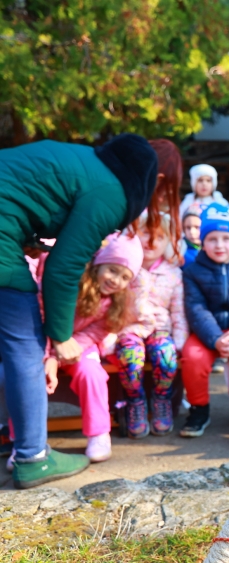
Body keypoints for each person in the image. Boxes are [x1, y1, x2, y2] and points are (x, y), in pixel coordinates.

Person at [0, 133, 158, 489]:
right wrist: (60, 337)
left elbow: (24, 194)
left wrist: (27, 235)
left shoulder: (80, 162)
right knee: (25, 347)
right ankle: (32, 456)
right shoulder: (113, 191)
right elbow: (64, 266)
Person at [56, 233, 146, 462]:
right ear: (98, 264)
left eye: (124, 277)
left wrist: (73, 347)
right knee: (25, 373)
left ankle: (98, 433)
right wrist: (54, 350)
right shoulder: (74, 284)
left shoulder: (114, 303)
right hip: (47, 342)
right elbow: (46, 312)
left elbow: (97, 331)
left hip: (81, 345)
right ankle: (23, 440)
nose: (116, 280)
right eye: (112, 270)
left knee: (92, 374)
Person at [181, 203, 229, 437]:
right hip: (207, 332)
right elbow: (196, 308)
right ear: (202, 242)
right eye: (212, 239)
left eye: (226, 238)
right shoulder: (193, 271)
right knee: (193, 357)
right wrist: (215, 338)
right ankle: (199, 409)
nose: (219, 245)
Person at [114, 214, 188, 438]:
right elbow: (112, 305)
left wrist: (181, 339)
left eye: (159, 236)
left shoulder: (172, 273)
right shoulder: (124, 267)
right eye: (146, 233)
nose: (151, 241)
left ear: (167, 243)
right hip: (130, 327)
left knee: (165, 355)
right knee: (130, 355)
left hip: (159, 327)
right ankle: (135, 400)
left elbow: (177, 310)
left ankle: (161, 397)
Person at [179, 204, 203, 268]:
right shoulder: (180, 251)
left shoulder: (213, 250)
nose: (192, 232)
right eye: (188, 228)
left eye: (197, 227)